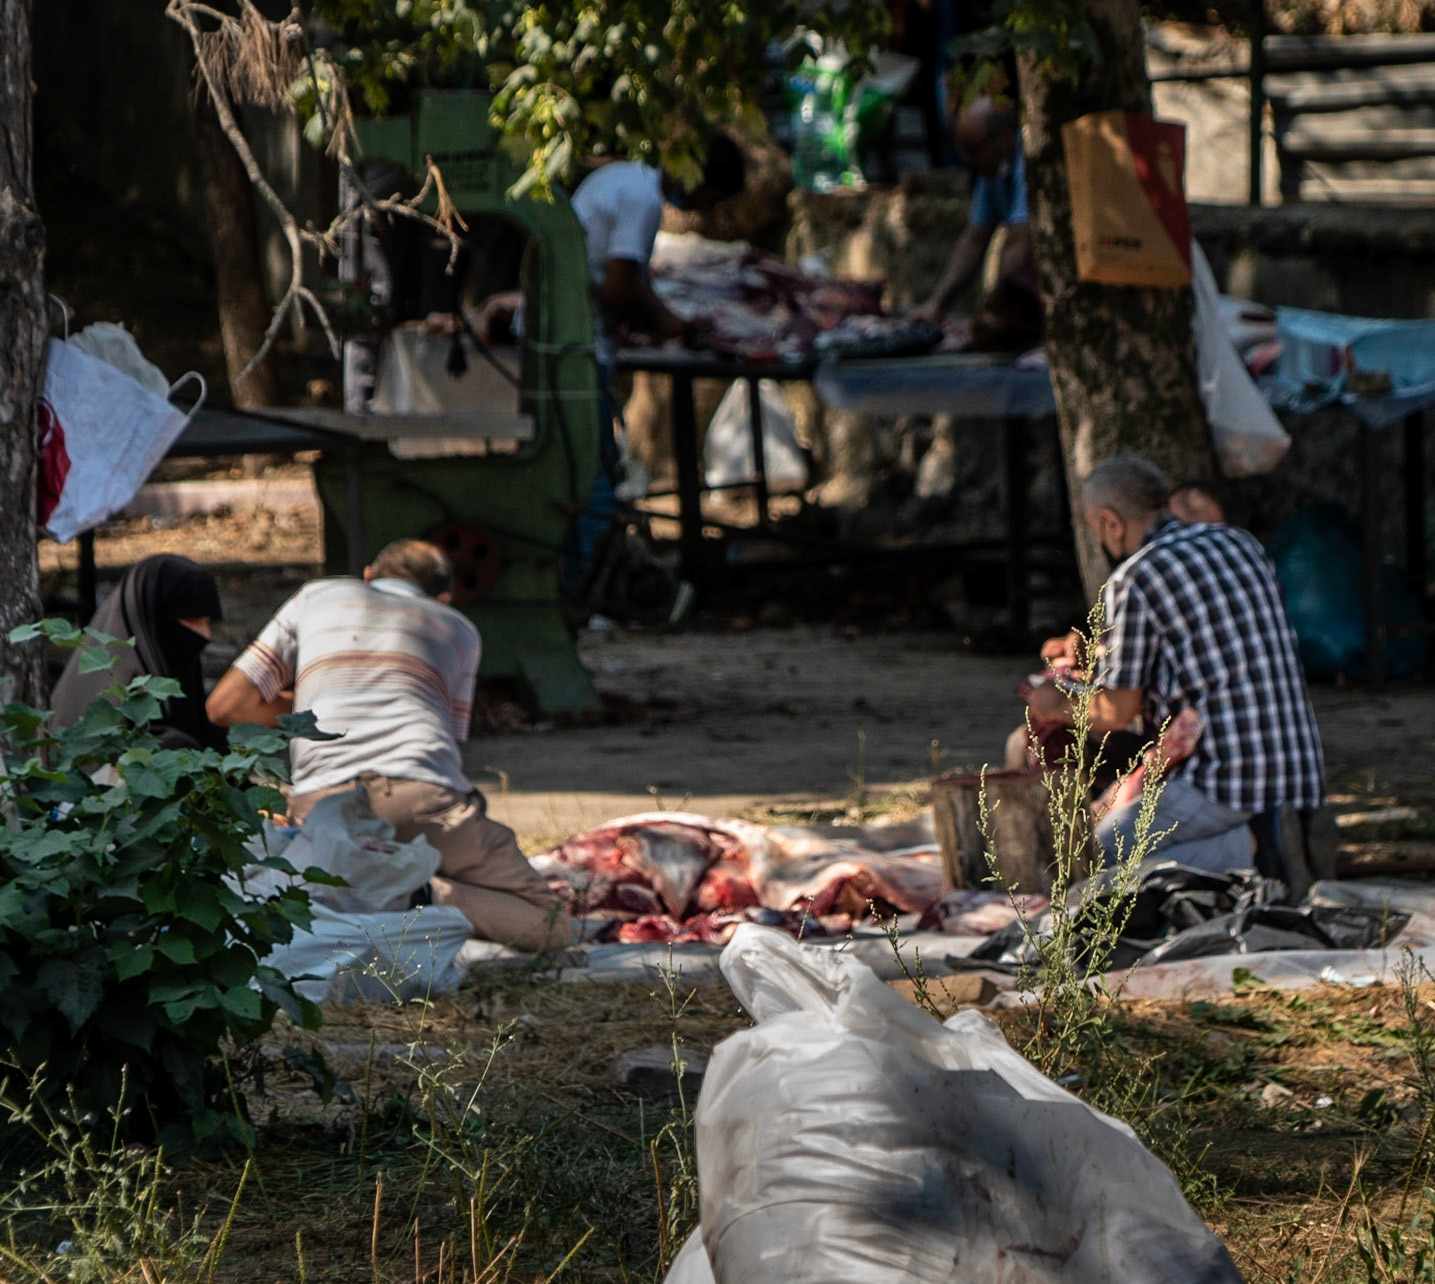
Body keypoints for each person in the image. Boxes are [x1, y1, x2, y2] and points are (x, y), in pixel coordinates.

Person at [206, 539, 574, 951]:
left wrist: (320, 704)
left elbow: (227, 705)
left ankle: (373, 879)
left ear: (367, 575)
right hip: (421, 798)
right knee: (551, 926)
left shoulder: (316, 596)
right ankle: (423, 893)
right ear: (444, 597)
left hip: (324, 810)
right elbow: (445, 747)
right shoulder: (460, 629)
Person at [1025, 455, 1325, 872]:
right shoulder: (1240, 543)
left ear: (1111, 523)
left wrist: (1052, 703)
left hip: (1224, 783)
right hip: (1300, 773)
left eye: (1097, 531)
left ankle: (1256, 848)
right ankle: (1279, 837)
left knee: (1082, 864)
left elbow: (1116, 710)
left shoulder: (1134, 577)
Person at [51, 554, 226, 751]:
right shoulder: (111, 714)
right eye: (193, 621)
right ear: (152, 621)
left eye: (208, 622)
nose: (205, 635)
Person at [908, 97, 1038, 340]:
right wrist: (936, 303)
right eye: (962, 149)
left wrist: (989, 315)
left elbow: (1019, 247)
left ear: (1006, 139)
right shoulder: (992, 172)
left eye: (973, 149)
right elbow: (974, 241)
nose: (966, 159)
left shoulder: (1030, 161)